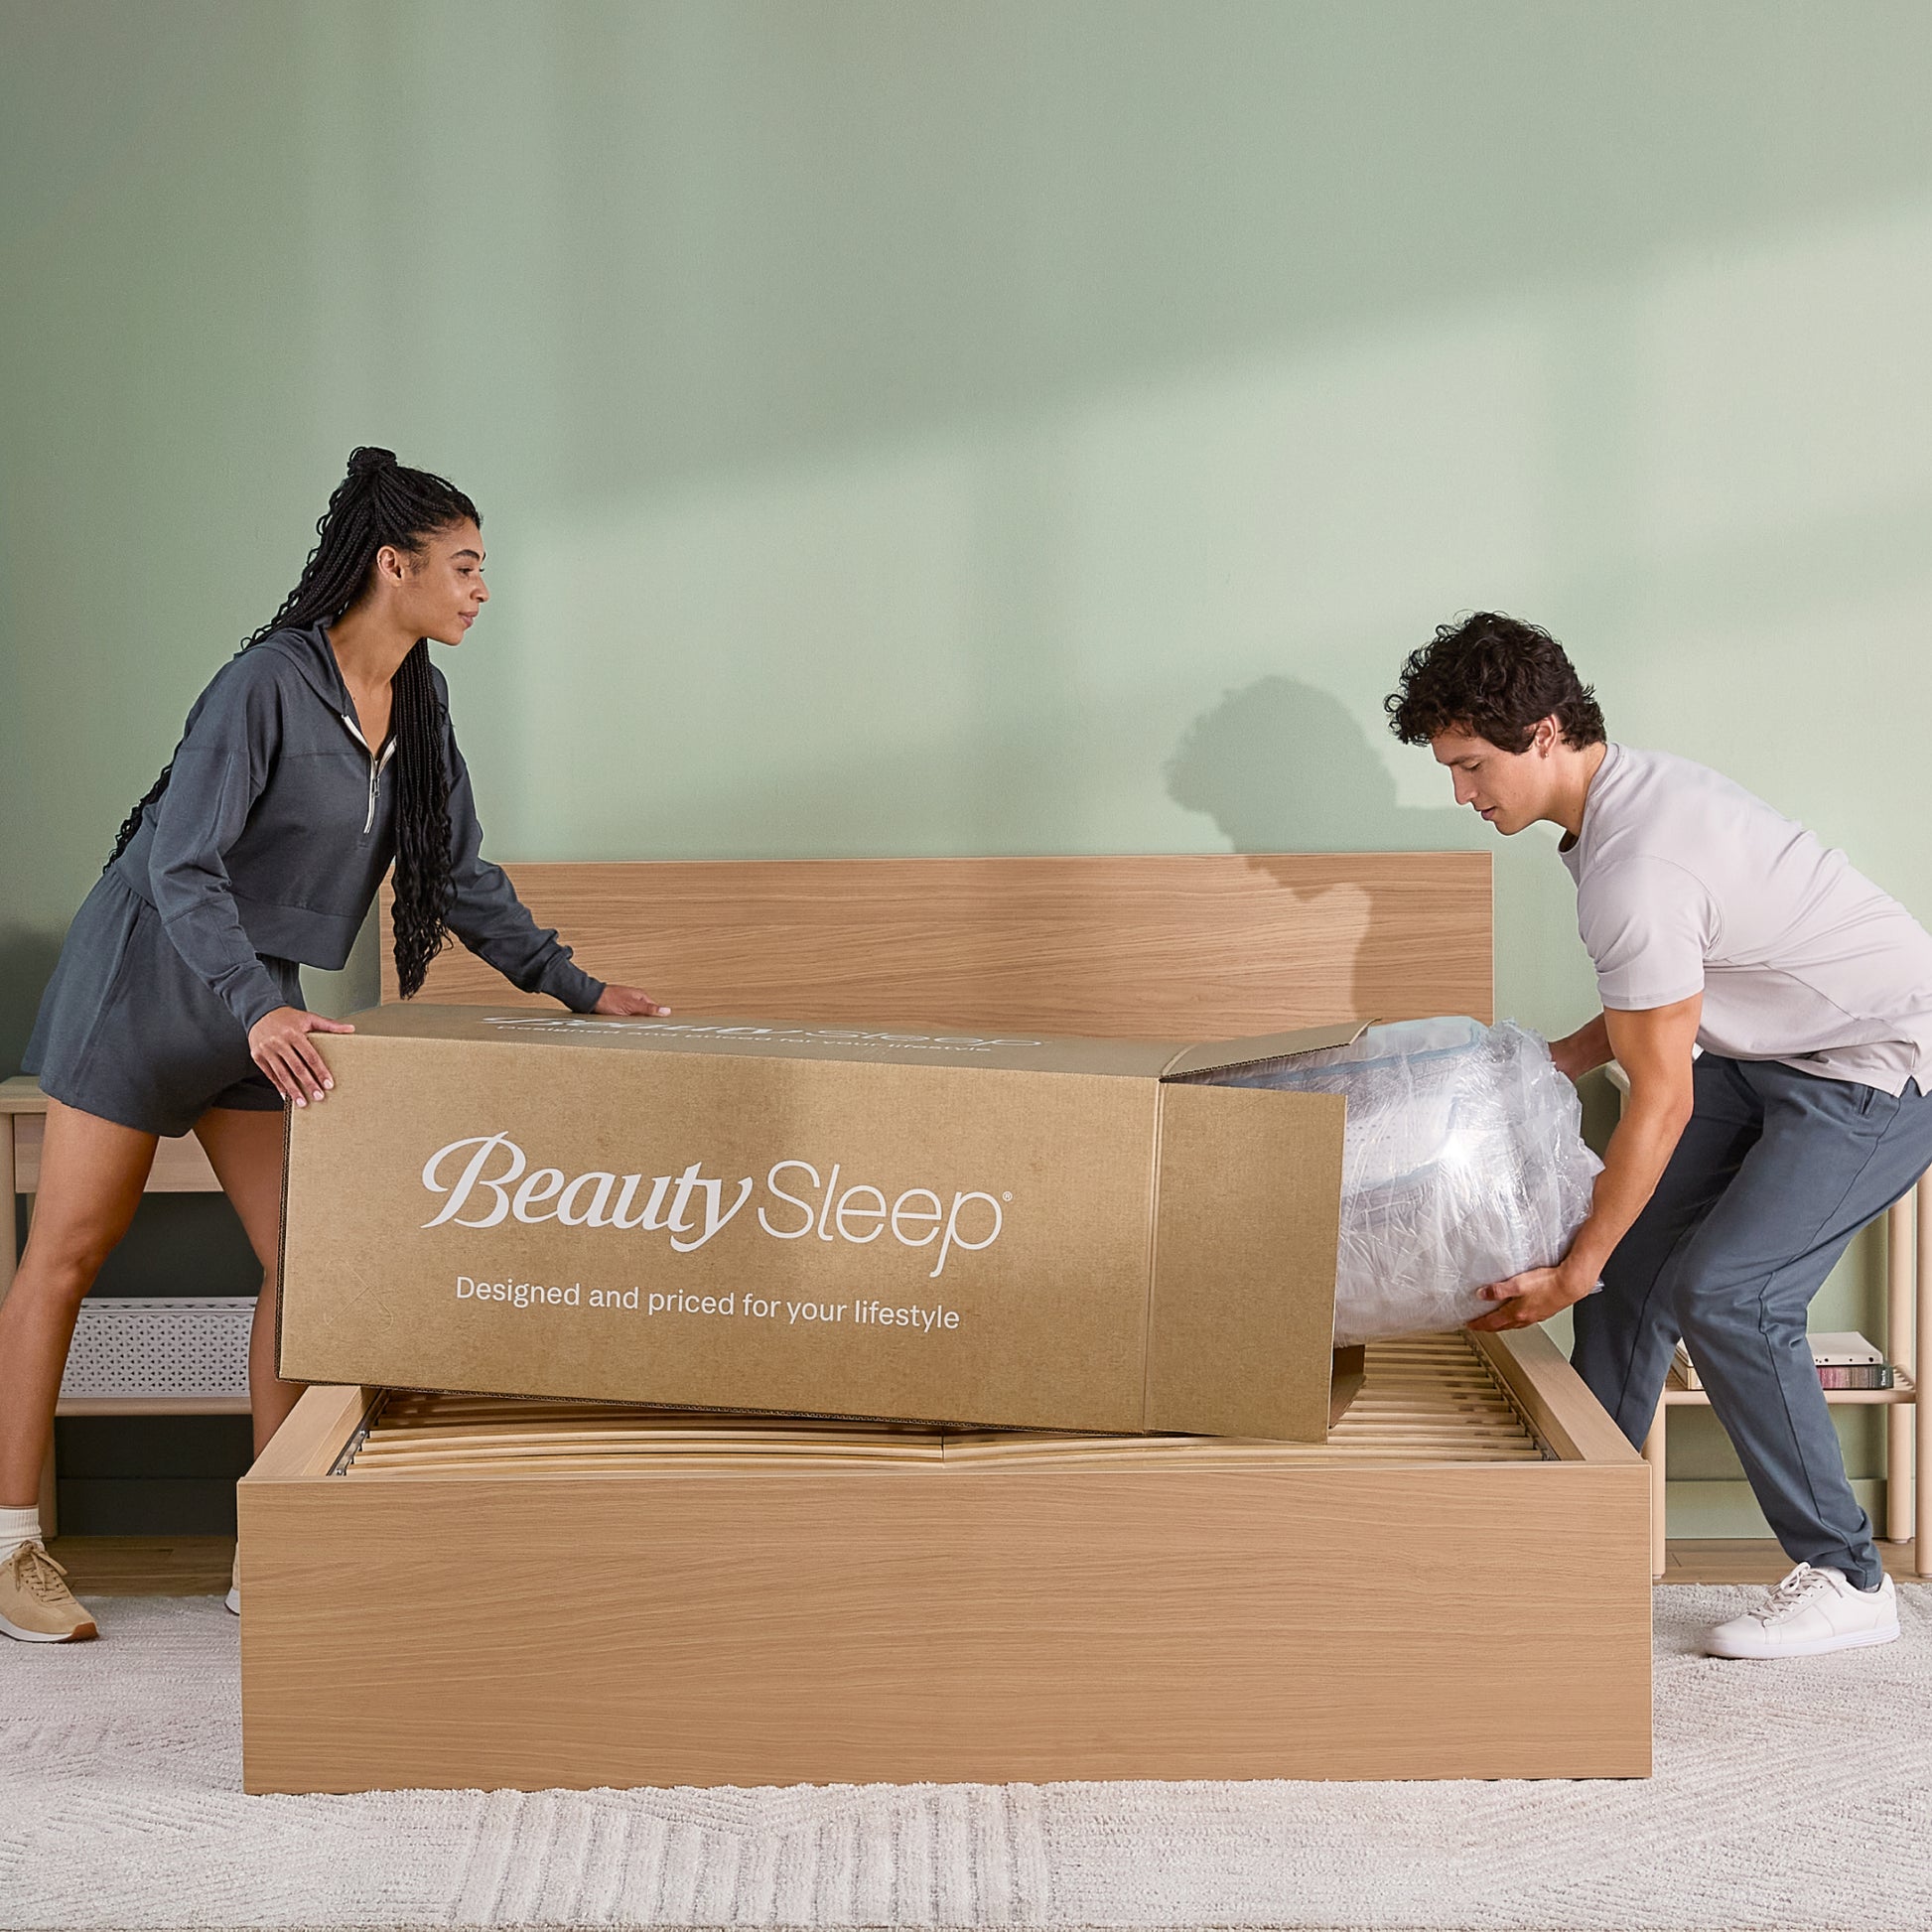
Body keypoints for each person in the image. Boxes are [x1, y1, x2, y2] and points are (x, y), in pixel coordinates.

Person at [0, 448, 669, 1643]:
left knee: (308, 1266)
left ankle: (278, 1538)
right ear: (392, 564)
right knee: (66, 1254)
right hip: (149, 982)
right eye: (463, 566)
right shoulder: (264, 683)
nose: (479, 589)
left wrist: (575, 987)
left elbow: (455, 872)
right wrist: (248, 1004)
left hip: (261, 1001)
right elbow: (178, 863)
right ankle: (9, 1546)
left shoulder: (416, 704)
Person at [1386, 612, 1932, 1660]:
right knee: (1636, 1262)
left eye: (1469, 765)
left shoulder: (1633, 862)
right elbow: (1666, 998)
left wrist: (1571, 1270)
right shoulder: (1620, 807)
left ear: (1542, 731)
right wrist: (1555, 1059)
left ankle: (1846, 1573)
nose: (1460, 793)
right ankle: (1567, 1531)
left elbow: (1662, 1096)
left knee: (1727, 1293)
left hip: (1878, 1062)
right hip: (1768, 1049)